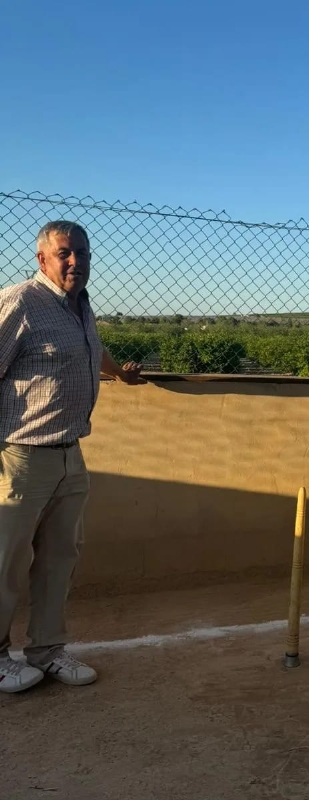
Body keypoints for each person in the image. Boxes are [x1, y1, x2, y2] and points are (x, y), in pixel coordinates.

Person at [0, 220, 143, 694]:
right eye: (65, 253)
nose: (76, 261)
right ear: (42, 259)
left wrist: (119, 373)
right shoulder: (20, 301)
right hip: (19, 456)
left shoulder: (80, 306)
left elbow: (91, 348)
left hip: (69, 454)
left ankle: (46, 650)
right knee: (6, 562)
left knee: (59, 558)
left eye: (82, 252)